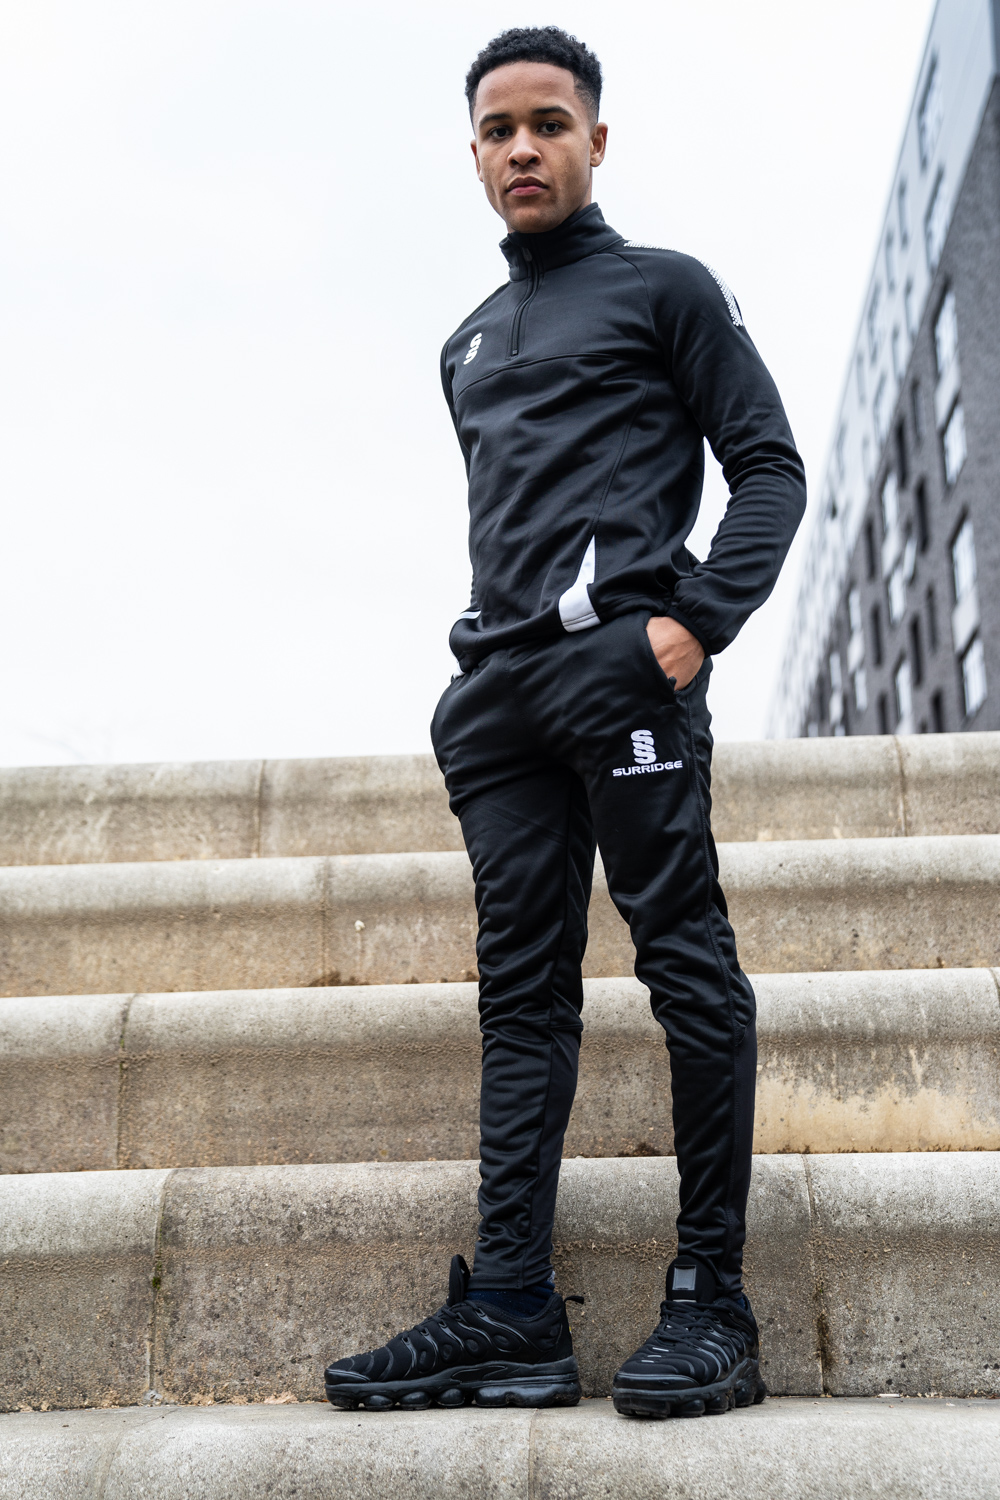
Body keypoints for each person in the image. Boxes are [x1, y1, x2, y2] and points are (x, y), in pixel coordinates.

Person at [325, 25, 806, 1420]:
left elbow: (768, 466)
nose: (523, 147)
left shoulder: (667, 288)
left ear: (598, 139)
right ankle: (513, 1310)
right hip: (499, 702)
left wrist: (692, 622)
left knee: (686, 962)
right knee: (520, 995)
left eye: (549, 123)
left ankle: (713, 1303)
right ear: (474, 154)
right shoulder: (466, 343)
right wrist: (473, 689)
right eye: (499, 130)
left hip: (623, 669)